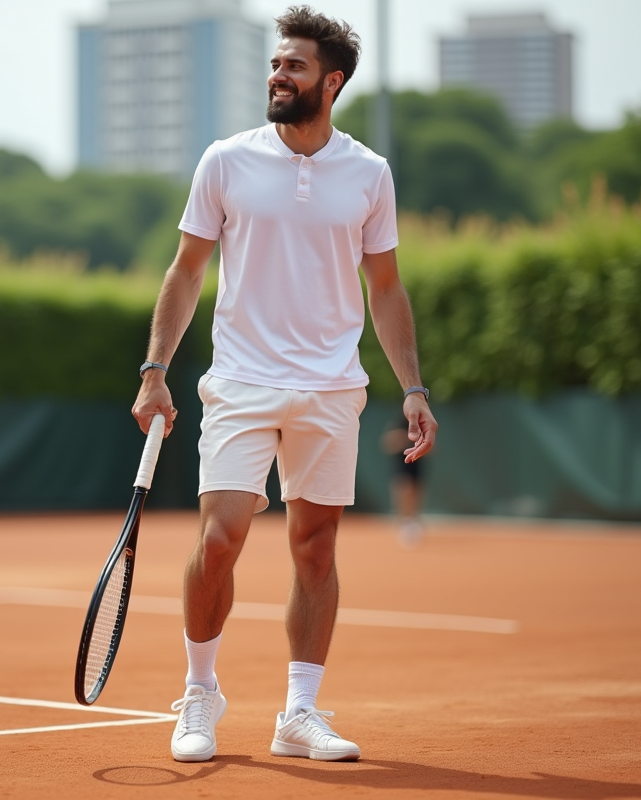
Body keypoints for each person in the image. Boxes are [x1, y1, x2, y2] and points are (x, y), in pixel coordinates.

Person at [131, 5, 437, 764]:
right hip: (239, 381)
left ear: (330, 82)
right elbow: (187, 270)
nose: (277, 75)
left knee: (315, 546)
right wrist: (154, 370)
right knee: (221, 537)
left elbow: (387, 289)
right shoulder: (225, 161)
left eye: (293, 66)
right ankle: (200, 692)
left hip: (332, 387)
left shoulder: (369, 173)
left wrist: (414, 388)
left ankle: (300, 713)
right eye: (275, 63)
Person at [381, 416, 427, 548]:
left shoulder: (423, 425)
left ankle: (412, 524)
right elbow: (388, 443)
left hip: (417, 467)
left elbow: (432, 447)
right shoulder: (398, 423)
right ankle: (404, 525)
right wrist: (404, 439)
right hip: (401, 467)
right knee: (403, 493)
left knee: (415, 496)